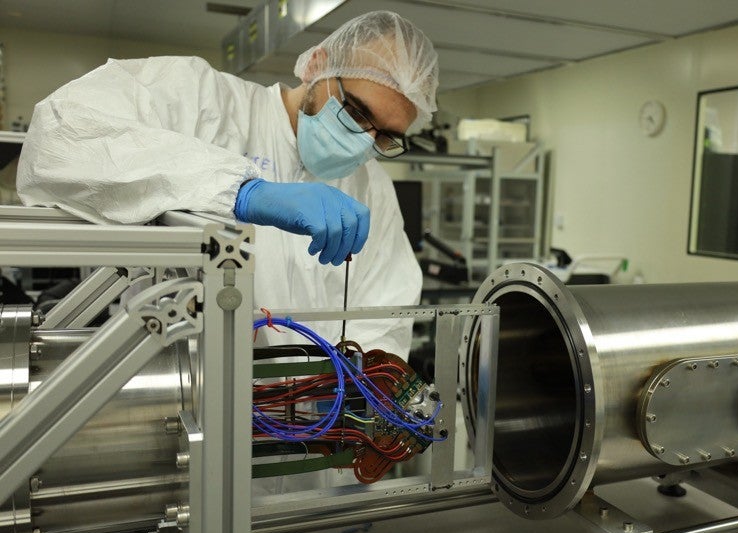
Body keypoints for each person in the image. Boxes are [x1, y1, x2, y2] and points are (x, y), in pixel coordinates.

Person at [16, 10, 438, 357]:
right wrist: (238, 190)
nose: (363, 140)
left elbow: (387, 314)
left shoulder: (373, 188)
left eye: (385, 136)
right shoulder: (203, 101)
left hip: (314, 430)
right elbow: (60, 134)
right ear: (317, 65)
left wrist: (362, 401)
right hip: (176, 406)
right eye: (356, 112)